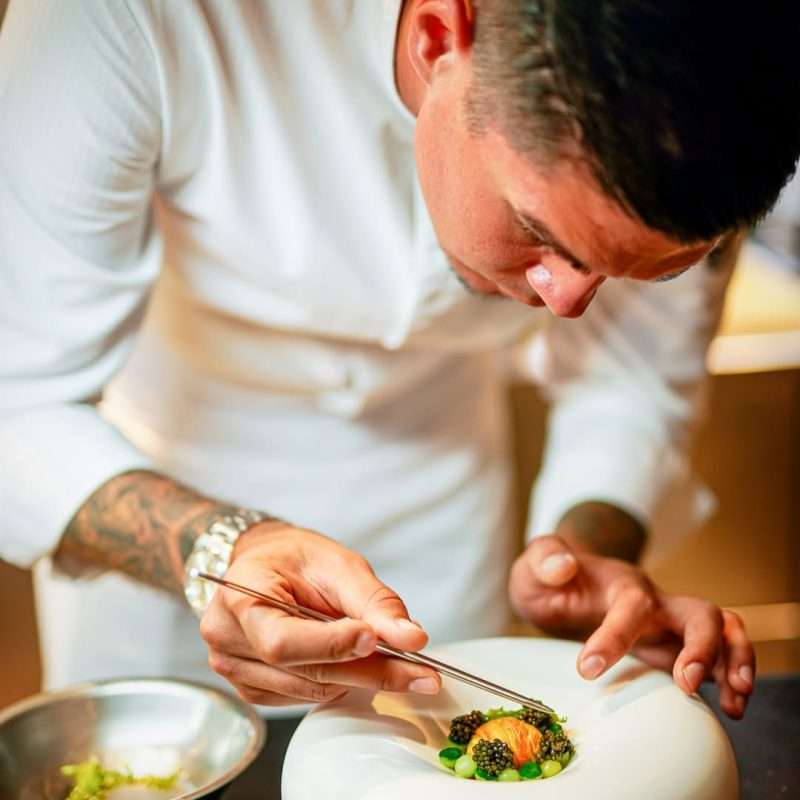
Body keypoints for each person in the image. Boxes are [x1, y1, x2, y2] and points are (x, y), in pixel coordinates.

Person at [1, 0, 797, 726]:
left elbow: (632, 373)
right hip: (156, 532)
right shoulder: (119, 19)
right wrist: (221, 550)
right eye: (538, 231)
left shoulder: (706, 106)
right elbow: (16, 401)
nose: (566, 304)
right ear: (438, 35)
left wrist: (586, 550)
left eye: (632, 272)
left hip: (444, 535)